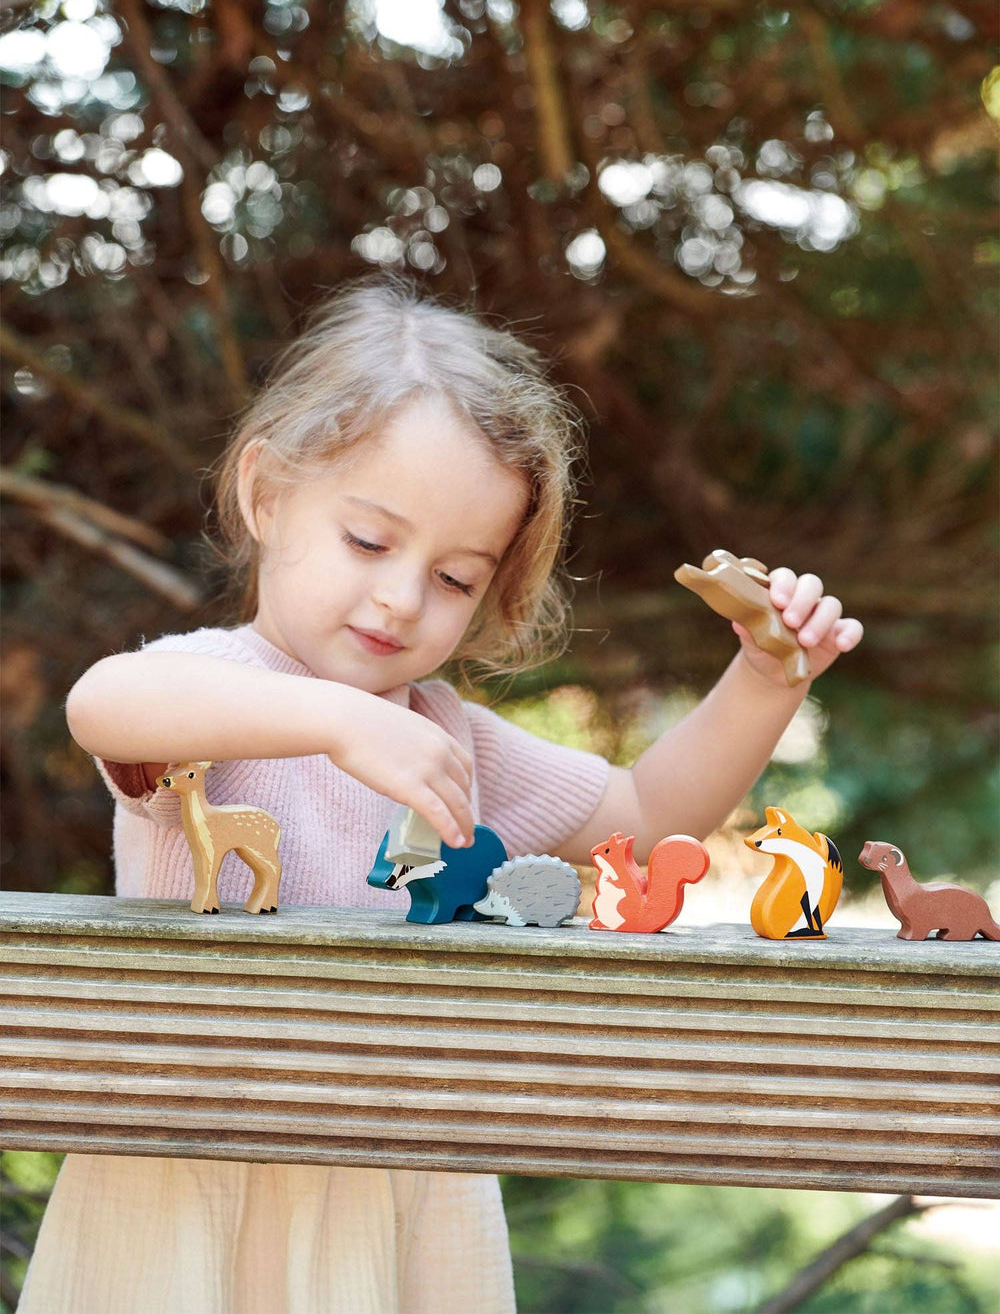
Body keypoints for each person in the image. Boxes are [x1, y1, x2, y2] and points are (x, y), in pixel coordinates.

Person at [21, 274, 862, 1314]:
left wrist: (767, 679)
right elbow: (104, 703)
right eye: (369, 542)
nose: (400, 598)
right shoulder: (210, 688)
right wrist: (337, 720)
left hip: (400, 1174)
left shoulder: (443, 736)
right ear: (267, 494)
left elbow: (647, 819)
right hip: (191, 1169)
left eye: (457, 578)